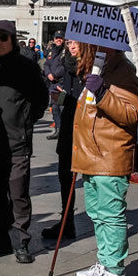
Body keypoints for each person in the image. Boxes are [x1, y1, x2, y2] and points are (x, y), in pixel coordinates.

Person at [0, 21, 49, 263]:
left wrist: (25, 120)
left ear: (13, 40)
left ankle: (22, 242)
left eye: (3, 38)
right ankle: (0, 239)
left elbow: (41, 99)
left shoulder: (26, 67)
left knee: (18, 193)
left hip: (16, 141)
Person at [71, 40, 138, 276]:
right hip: (92, 155)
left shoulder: (122, 70)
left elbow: (132, 112)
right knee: (97, 213)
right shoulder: (101, 66)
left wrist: (102, 93)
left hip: (108, 155)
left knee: (110, 214)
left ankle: (115, 270)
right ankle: (105, 261)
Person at [42, 38, 84, 242]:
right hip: (69, 124)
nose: (72, 46)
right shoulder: (66, 63)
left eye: (76, 43)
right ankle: (67, 222)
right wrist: (60, 98)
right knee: (64, 174)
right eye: (69, 42)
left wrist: (67, 99)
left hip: (86, 127)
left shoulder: (94, 67)